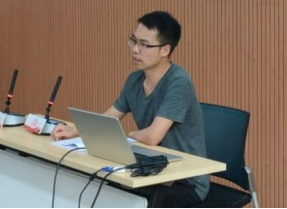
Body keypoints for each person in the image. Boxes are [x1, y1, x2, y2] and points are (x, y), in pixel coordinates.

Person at [52, 11, 208, 206]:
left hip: (185, 180)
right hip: (151, 170)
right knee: (99, 187)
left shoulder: (178, 82)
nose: (135, 50)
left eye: (144, 44)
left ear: (165, 50)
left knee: (125, 200)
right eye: (134, 41)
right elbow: (108, 119)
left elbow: (152, 137)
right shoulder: (134, 80)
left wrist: (131, 134)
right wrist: (74, 130)